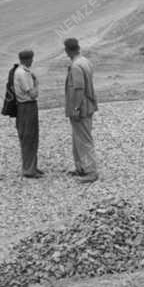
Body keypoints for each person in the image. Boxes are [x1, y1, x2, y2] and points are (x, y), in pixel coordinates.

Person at [64, 38, 98, 183]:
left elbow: (79, 88)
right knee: (78, 139)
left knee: (84, 140)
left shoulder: (76, 66)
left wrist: (76, 108)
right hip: (88, 105)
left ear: (67, 50)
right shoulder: (85, 61)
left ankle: (91, 171)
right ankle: (81, 167)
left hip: (81, 108)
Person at [13, 50, 43, 178]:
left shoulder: (20, 71)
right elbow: (32, 94)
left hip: (24, 106)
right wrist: (36, 83)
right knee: (29, 137)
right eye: (31, 59)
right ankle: (29, 169)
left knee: (31, 137)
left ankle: (32, 166)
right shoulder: (23, 73)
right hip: (27, 106)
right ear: (27, 59)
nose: (32, 61)